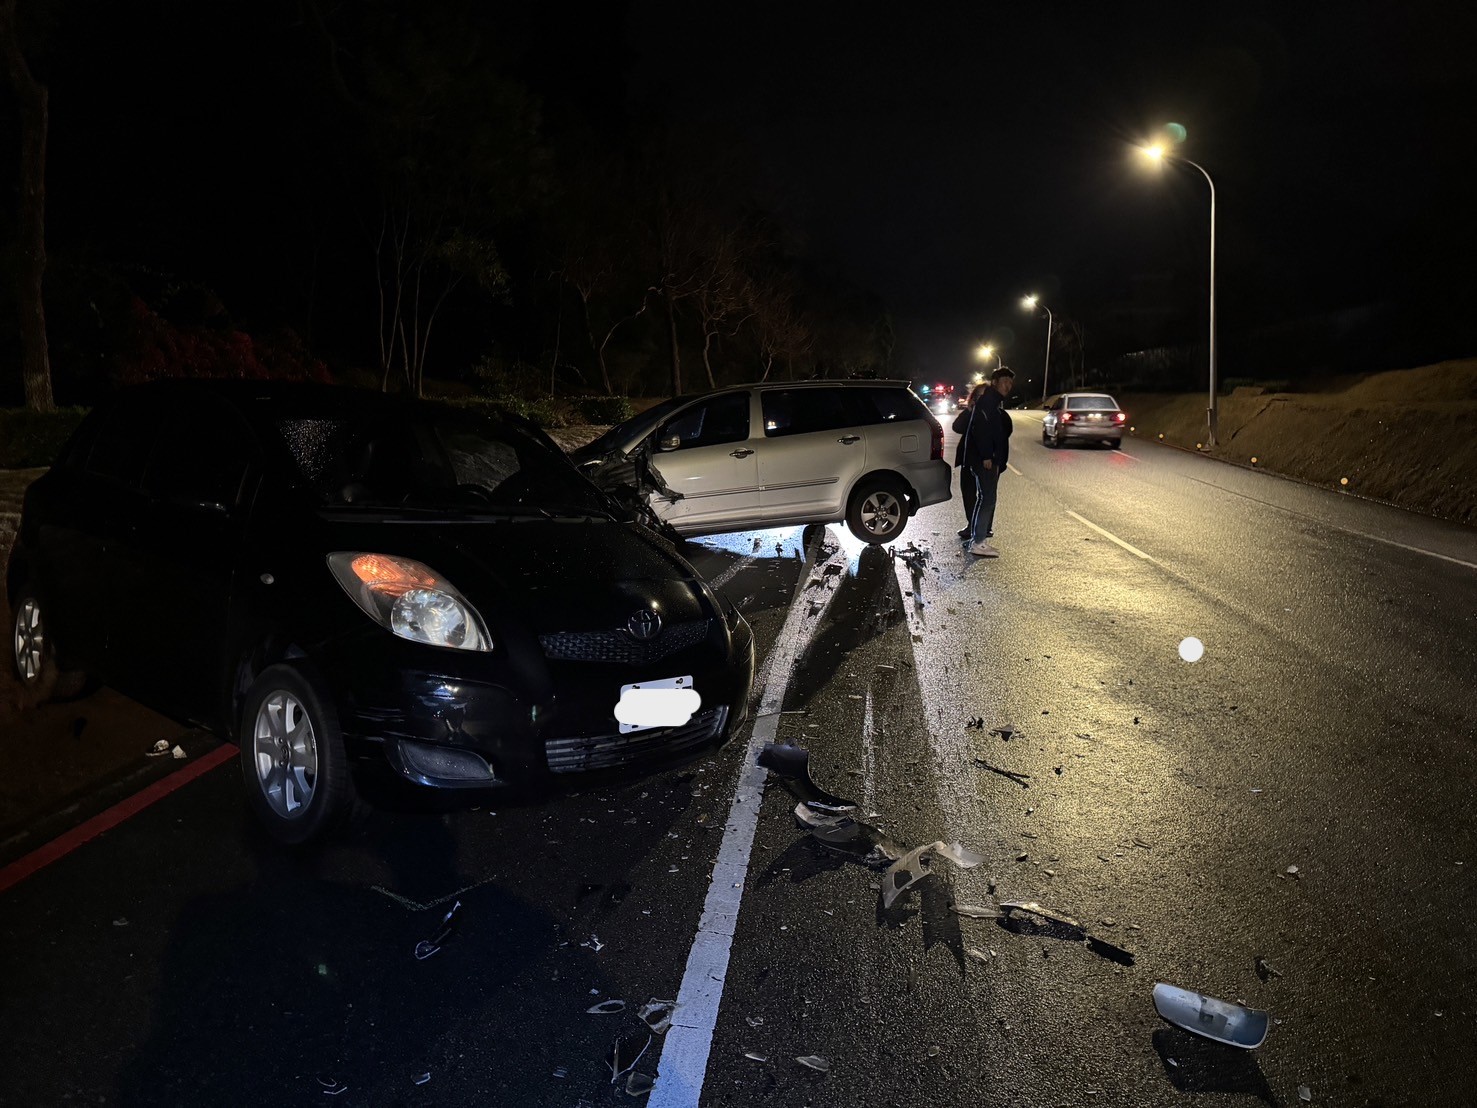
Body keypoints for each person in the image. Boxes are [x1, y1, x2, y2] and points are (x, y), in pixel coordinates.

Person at [952, 367, 1014, 556]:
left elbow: (1002, 432)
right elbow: (981, 430)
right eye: (1004, 382)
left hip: (986, 460)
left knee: (985, 498)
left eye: (1010, 383)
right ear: (995, 383)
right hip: (980, 460)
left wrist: (997, 458)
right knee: (986, 498)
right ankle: (978, 539)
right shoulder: (987, 403)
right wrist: (988, 455)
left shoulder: (995, 405)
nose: (1008, 386)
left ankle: (979, 536)